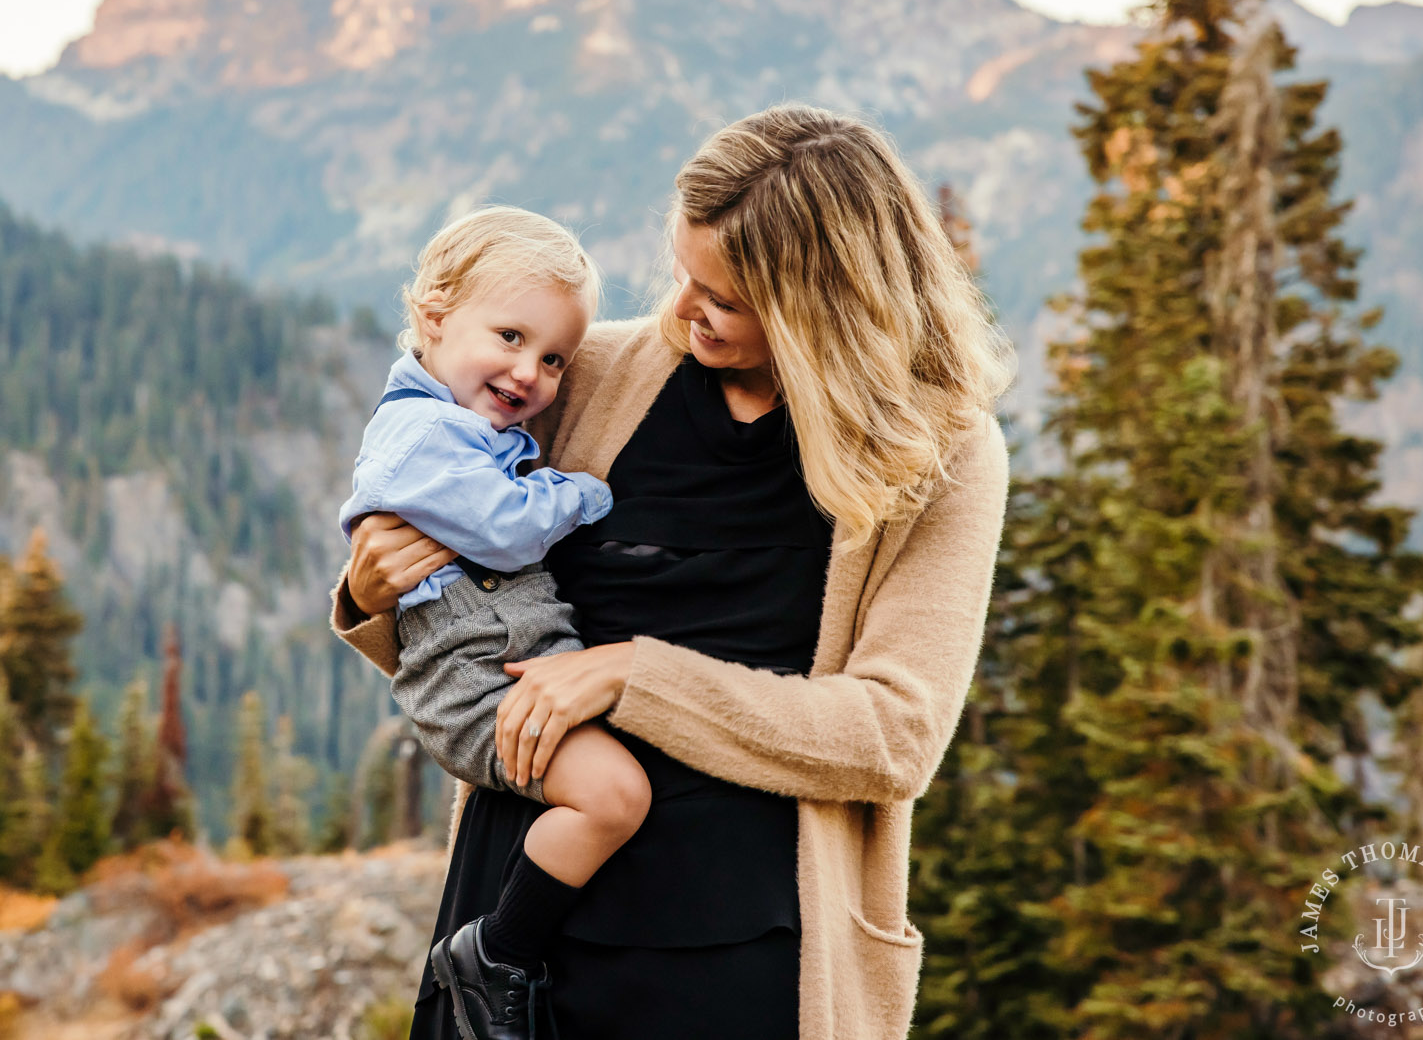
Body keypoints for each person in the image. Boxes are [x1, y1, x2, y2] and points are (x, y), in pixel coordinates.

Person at [333, 106, 1014, 1040]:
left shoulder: (936, 451)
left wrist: (635, 676)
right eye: (684, 275)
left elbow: (894, 736)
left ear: (824, 308)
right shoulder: (589, 372)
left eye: (724, 299)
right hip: (515, 938)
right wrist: (374, 590)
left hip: (744, 954)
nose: (685, 310)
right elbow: (473, 596)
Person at [337, 206, 653, 1039]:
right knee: (615, 797)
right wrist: (584, 491)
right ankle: (497, 953)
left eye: (554, 357)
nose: (531, 373)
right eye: (510, 337)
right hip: (479, 685)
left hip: (496, 662)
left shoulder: (458, 420)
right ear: (434, 318)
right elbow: (507, 526)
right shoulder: (422, 436)